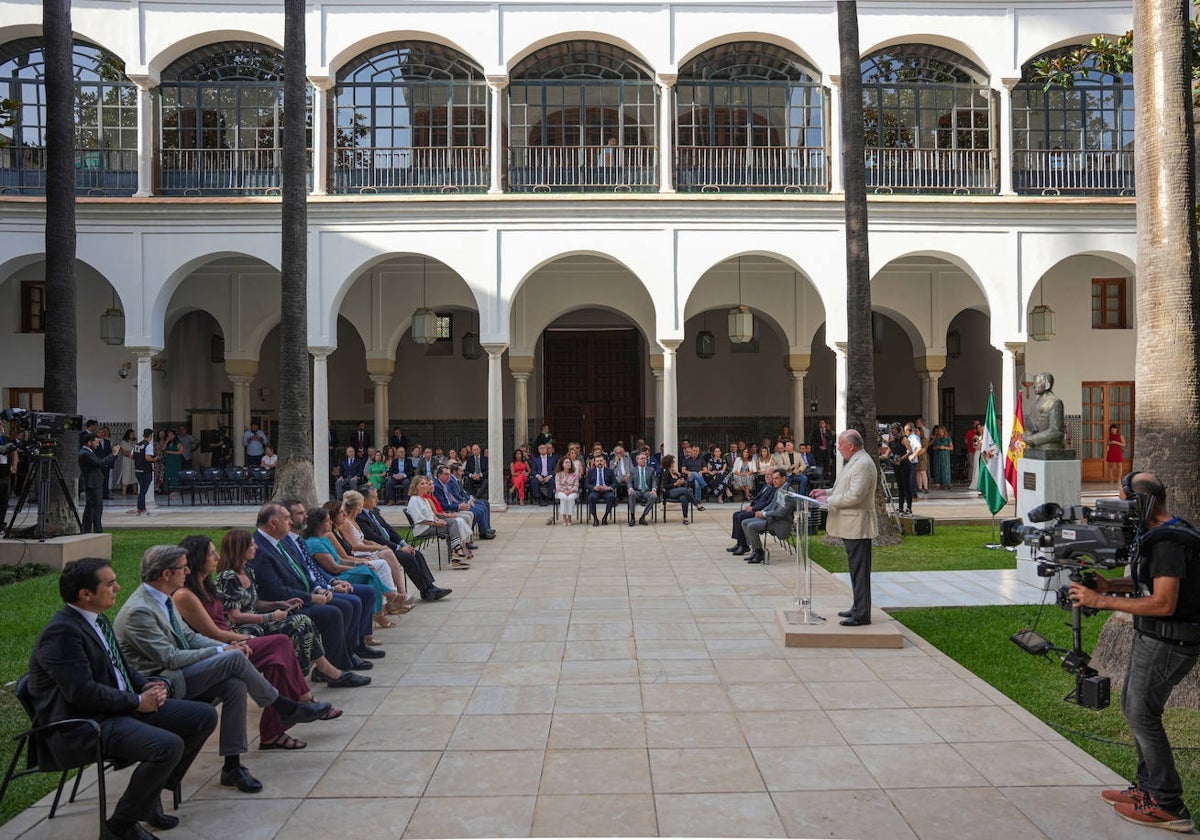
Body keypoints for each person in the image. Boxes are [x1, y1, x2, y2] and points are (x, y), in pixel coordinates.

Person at [28, 557, 218, 840]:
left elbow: (121, 667)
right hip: (86, 723)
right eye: (110, 583)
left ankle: (148, 794)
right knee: (167, 746)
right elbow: (82, 693)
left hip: (118, 708)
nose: (118, 587)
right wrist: (137, 702)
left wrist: (151, 686)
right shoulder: (62, 632)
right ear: (85, 594)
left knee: (204, 716)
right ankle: (119, 827)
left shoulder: (97, 620)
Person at [114, 546, 329, 795]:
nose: (187, 571)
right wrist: (223, 652)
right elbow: (170, 658)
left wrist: (226, 646)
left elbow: (191, 637)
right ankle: (284, 707)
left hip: (181, 671)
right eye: (182, 568)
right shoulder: (140, 611)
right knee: (235, 661)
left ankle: (232, 765)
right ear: (165, 574)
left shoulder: (163, 598)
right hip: (161, 683)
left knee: (234, 684)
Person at [1069, 472, 1200, 832]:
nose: (1116, 507)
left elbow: (1163, 602)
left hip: (1169, 641)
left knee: (1143, 715)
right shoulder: (1163, 534)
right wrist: (1113, 583)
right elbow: (1150, 581)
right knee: (1133, 706)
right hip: (1155, 638)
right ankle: (1148, 790)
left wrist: (1102, 599)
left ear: (1139, 503)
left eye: (1122, 500)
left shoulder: (1169, 543)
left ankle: (1167, 804)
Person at [174, 536, 339, 750]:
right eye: (210, 554)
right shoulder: (185, 595)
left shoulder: (206, 585)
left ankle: (275, 730)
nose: (216, 557)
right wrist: (249, 638)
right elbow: (213, 631)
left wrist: (276, 606)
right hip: (220, 648)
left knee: (278, 660)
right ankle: (299, 701)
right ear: (198, 559)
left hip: (232, 641)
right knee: (280, 643)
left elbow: (236, 614)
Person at [216, 528, 368, 689]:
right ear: (240, 549)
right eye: (251, 545)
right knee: (301, 622)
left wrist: (280, 604)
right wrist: (270, 616)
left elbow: (254, 603)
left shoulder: (248, 570)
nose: (256, 548)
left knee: (304, 621)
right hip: (244, 627)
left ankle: (320, 671)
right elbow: (235, 617)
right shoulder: (228, 577)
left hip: (258, 618)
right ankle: (306, 676)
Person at [249, 503, 376, 674]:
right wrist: (312, 597)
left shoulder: (281, 542)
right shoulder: (261, 549)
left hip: (305, 593)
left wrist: (320, 588)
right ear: (273, 523)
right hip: (287, 605)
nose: (290, 522)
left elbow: (304, 572)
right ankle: (336, 667)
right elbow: (276, 590)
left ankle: (345, 656)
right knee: (338, 610)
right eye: (287, 518)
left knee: (351, 601)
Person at [811, 430, 879, 627]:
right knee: (855, 569)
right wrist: (825, 491)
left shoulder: (863, 464)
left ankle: (862, 614)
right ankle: (858, 607)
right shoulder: (856, 461)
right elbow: (845, 488)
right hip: (851, 524)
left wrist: (829, 500)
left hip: (857, 524)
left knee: (860, 570)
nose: (838, 449)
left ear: (851, 446)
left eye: (840, 445)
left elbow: (855, 496)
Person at [353, 485, 451, 601]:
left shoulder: (374, 511)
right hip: (379, 549)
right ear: (364, 499)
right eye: (374, 497)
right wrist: (398, 547)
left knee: (417, 554)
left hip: (390, 545)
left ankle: (429, 587)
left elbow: (388, 529)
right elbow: (374, 538)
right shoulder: (360, 517)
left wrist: (403, 543)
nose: (377, 500)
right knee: (408, 558)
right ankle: (426, 590)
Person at [407, 475, 471, 566]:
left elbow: (432, 514)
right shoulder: (414, 500)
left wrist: (438, 520)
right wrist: (435, 523)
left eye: (425, 483)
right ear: (415, 486)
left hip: (431, 525)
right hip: (423, 528)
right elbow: (419, 519)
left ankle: (456, 552)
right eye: (422, 484)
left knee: (453, 523)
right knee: (451, 527)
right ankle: (456, 554)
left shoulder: (424, 499)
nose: (425, 486)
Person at [740, 468, 796, 564]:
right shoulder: (779, 490)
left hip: (781, 522)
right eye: (773, 478)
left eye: (776, 478)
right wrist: (761, 512)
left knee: (751, 526)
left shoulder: (788, 492)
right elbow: (771, 505)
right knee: (744, 522)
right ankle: (755, 550)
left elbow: (781, 512)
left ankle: (759, 553)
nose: (774, 480)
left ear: (784, 478)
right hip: (773, 518)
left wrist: (765, 514)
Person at [727, 473, 778, 556]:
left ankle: (744, 546)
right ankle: (739, 542)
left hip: (760, 511)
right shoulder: (766, 486)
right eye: (766, 474)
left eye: (769, 474)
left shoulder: (774, 489)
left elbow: (767, 503)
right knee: (735, 514)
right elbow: (757, 499)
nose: (767, 476)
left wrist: (753, 508)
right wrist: (750, 506)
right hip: (754, 507)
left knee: (741, 517)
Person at [79, 432, 113, 534]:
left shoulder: (88, 452)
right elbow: (100, 463)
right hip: (92, 483)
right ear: (89, 442)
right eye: (96, 443)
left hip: (94, 482)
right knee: (97, 507)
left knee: (90, 507)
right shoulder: (85, 453)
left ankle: (87, 528)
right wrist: (113, 455)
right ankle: (97, 529)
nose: (98, 445)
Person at [1024, 371, 1067, 451]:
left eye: (1037, 383)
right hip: (1036, 447)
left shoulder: (1055, 402)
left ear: (1047, 385)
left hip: (1049, 448)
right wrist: (1026, 435)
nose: (1034, 386)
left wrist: (1032, 439)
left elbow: (1056, 432)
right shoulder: (1036, 402)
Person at [658, 454, 694, 525]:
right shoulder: (666, 473)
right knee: (684, 490)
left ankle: (685, 517)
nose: (674, 463)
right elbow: (664, 486)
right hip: (669, 492)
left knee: (684, 498)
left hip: (678, 491)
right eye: (673, 462)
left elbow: (683, 480)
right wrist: (675, 484)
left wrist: (679, 475)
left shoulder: (674, 472)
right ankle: (696, 503)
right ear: (669, 463)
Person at [626, 450, 658, 526]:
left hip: (647, 491)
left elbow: (654, 481)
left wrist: (654, 489)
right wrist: (630, 488)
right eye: (642, 459)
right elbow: (629, 481)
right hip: (637, 490)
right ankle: (632, 517)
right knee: (631, 494)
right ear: (637, 460)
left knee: (653, 496)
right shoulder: (633, 470)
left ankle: (643, 517)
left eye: (645, 458)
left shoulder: (651, 470)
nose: (644, 460)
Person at [130, 428, 156, 516]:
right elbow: (148, 458)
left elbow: (132, 456)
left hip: (137, 470)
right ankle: (142, 509)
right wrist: (155, 459)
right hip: (146, 470)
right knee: (143, 491)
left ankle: (140, 508)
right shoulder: (148, 445)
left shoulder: (137, 445)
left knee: (142, 490)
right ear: (151, 436)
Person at [585, 454, 617, 526]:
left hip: (606, 491)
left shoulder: (609, 471)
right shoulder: (590, 472)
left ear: (604, 462)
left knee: (611, 497)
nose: (599, 462)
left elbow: (615, 483)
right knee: (591, 497)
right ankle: (595, 518)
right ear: (594, 462)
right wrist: (593, 487)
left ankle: (605, 517)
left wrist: (609, 487)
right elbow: (586, 484)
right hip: (595, 491)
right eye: (597, 461)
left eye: (601, 461)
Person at [555, 456, 580, 525]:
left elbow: (576, 486)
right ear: (562, 464)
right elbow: (558, 486)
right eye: (566, 462)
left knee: (570, 498)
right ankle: (564, 517)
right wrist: (564, 491)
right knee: (564, 498)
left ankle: (569, 517)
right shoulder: (558, 474)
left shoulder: (575, 474)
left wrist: (570, 491)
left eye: (569, 462)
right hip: (561, 491)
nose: (568, 464)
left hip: (572, 491)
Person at [929, 424, 953, 489]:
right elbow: (933, 447)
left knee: (945, 468)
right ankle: (938, 482)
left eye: (941, 432)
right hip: (937, 455)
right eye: (939, 432)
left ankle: (946, 483)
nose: (940, 433)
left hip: (945, 455)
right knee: (938, 468)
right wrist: (937, 447)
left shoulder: (948, 438)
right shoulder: (936, 438)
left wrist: (945, 447)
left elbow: (951, 447)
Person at [115, 429, 137, 495]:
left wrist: (134, 456)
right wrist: (130, 455)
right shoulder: (123, 442)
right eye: (131, 434)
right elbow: (124, 452)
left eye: (133, 434)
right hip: (126, 460)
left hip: (134, 460)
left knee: (134, 475)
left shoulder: (135, 442)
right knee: (126, 474)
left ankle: (135, 491)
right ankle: (124, 492)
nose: (133, 435)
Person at [97, 427, 115, 499]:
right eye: (99, 432)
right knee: (98, 480)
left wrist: (108, 461)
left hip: (106, 464)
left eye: (102, 432)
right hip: (98, 463)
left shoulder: (107, 442)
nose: (101, 434)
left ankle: (105, 494)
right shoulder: (94, 441)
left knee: (106, 479)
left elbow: (109, 452)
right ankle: (98, 495)